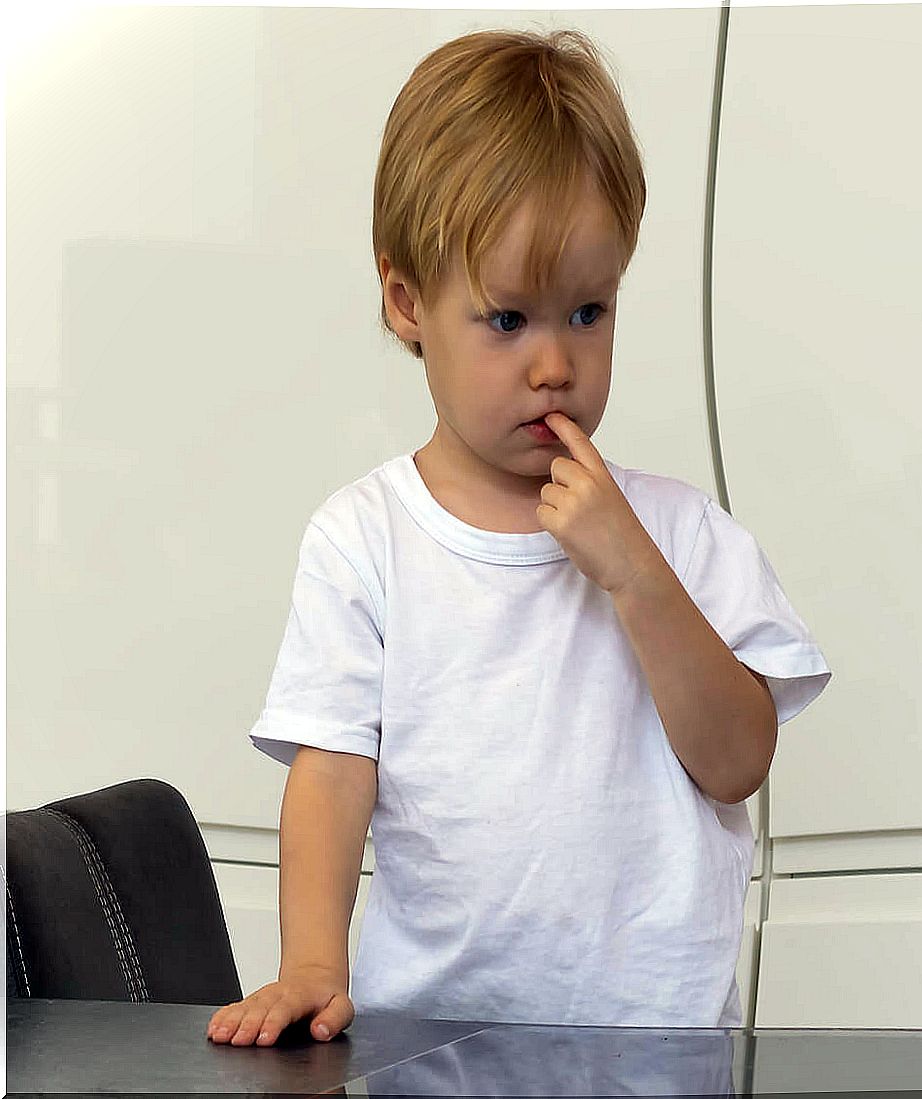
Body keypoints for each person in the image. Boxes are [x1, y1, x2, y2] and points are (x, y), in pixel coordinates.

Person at [205, 27, 831, 1046]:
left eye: (588, 311)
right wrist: (314, 964)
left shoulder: (683, 534)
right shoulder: (363, 540)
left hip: (655, 1049)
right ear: (408, 303)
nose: (555, 363)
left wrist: (635, 574)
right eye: (508, 321)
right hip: (429, 1044)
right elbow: (332, 770)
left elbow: (737, 761)